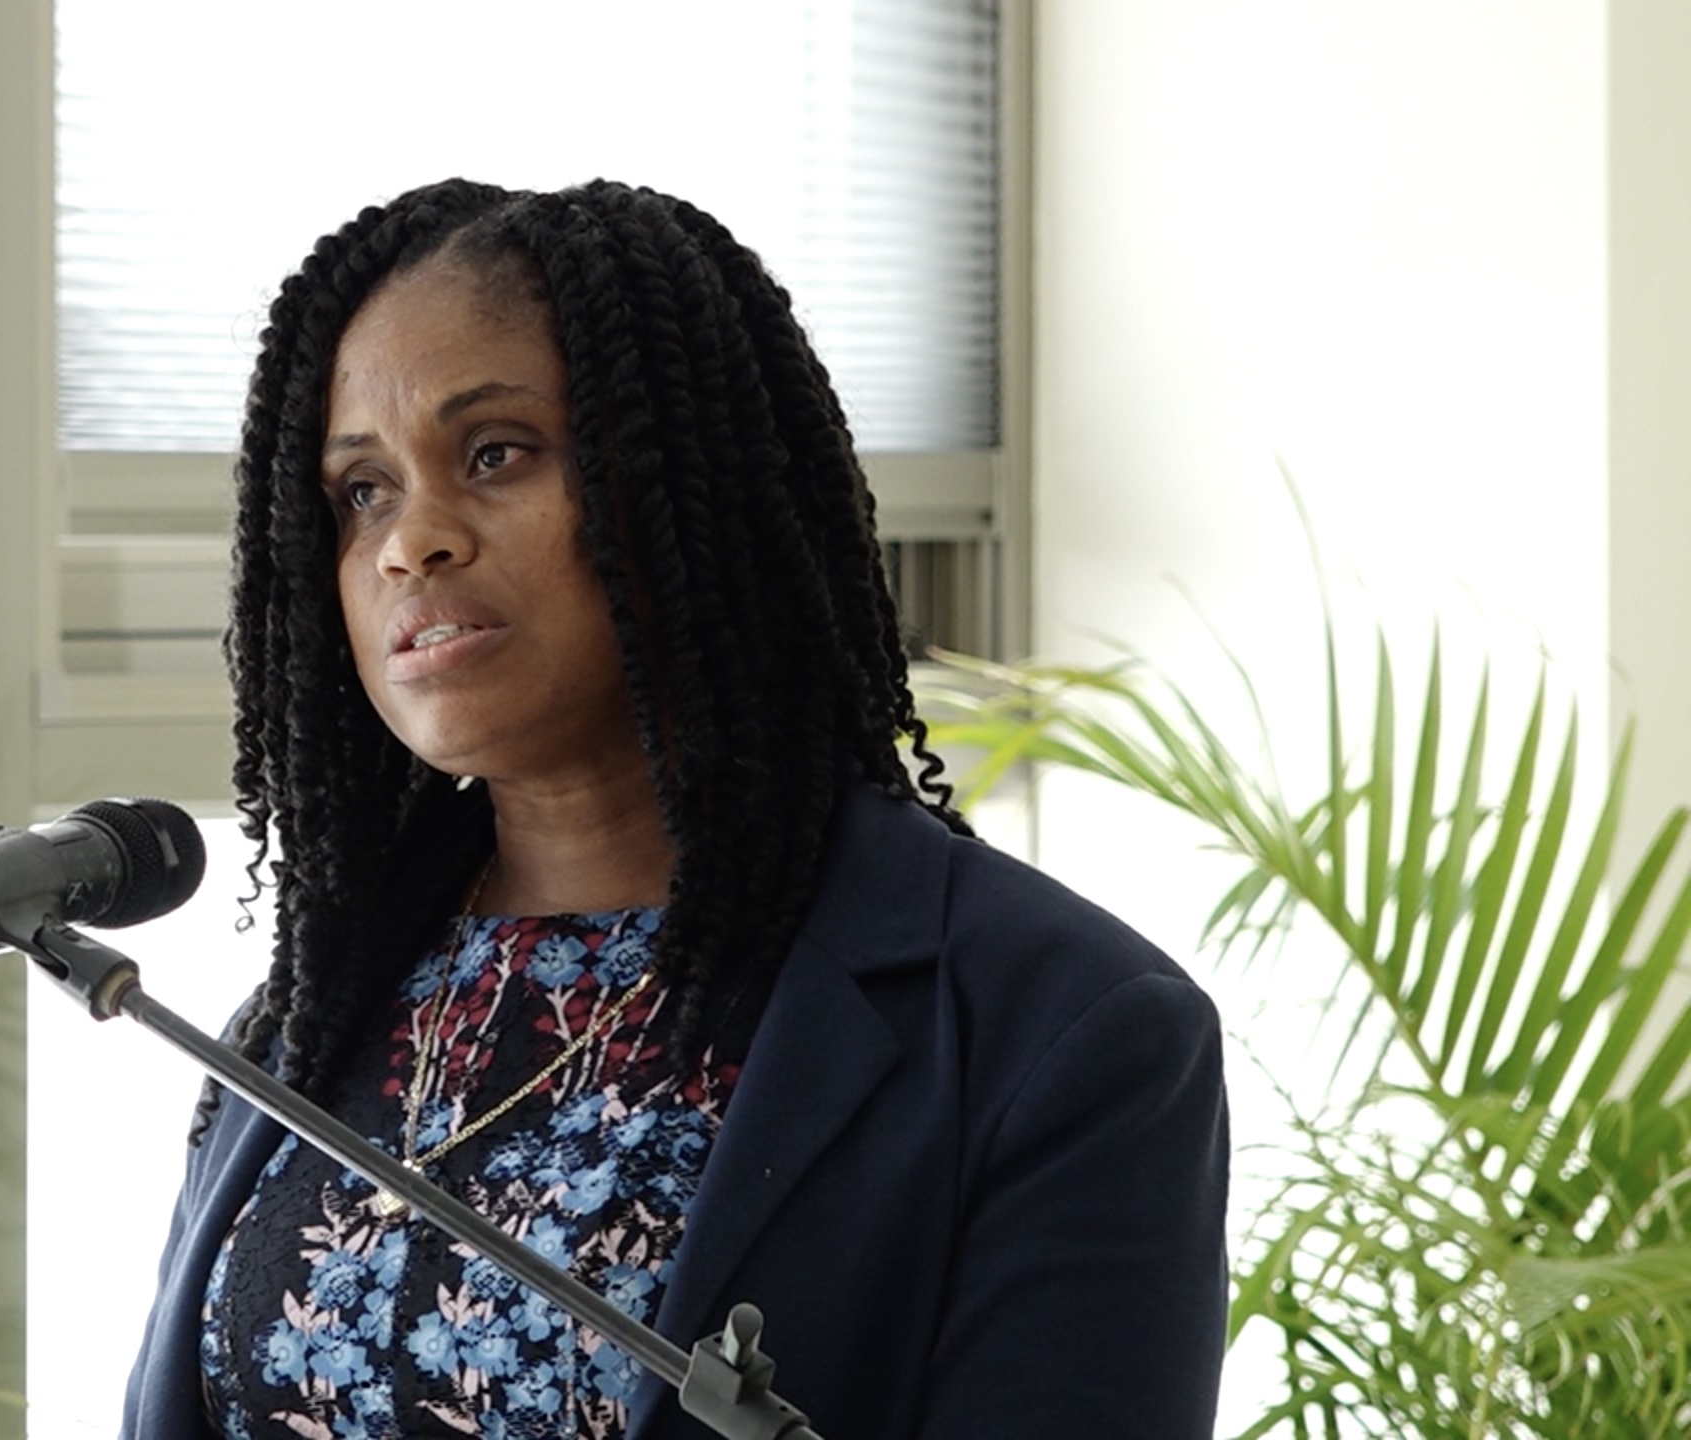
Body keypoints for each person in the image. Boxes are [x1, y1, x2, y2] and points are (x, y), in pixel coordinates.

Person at [119, 179, 1228, 1439]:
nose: (408, 542)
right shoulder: (300, 1023)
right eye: (361, 491)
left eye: (496, 455)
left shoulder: (1053, 1034)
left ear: (684, 476)